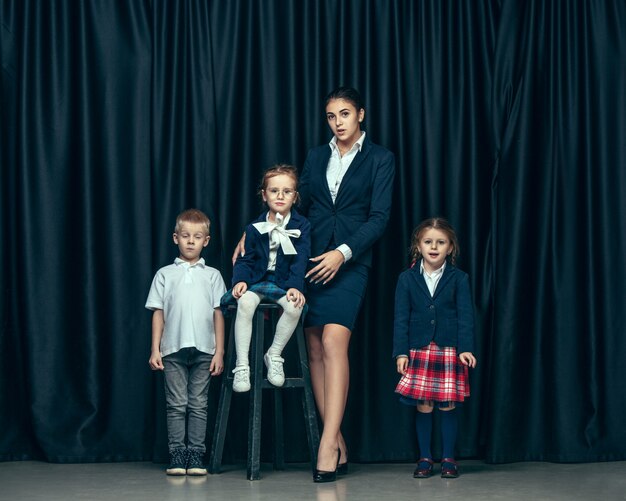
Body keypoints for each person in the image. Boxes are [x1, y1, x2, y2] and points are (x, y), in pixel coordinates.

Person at [299, 86, 395, 482]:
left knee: (336, 341)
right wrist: (257, 231)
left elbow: (379, 217)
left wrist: (343, 253)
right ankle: (337, 439)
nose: (337, 123)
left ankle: (326, 444)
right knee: (315, 347)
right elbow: (296, 203)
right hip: (309, 262)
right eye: (331, 116)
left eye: (344, 114)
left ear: (361, 115)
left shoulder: (380, 158)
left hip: (350, 263)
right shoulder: (316, 156)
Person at [393, 217, 477, 479]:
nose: (434, 246)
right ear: (418, 245)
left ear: (450, 247)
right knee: (424, 406)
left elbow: (466, 316)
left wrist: (466, 348)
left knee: (447, 406)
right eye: (428, 241)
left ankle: (449, 458)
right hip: (418, 349)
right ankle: (425, 458)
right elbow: (400, 317)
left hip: (448, 349)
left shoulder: (459, 278)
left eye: (440, 242)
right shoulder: (406, 279)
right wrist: (401, 352)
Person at [146, 209, 226, 476]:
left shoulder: (213, 275)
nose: (191, 241)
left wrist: (220, 352)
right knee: (177, 404)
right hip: (172, 350)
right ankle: (177, 455)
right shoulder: (164, 274)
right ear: (175, 238)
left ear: (207, 240)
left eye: (197, 236)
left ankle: (196, 456)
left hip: (205, 349)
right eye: (185, 236)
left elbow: (218, 313)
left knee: (199, 404)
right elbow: (158, 312)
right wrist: (155, 348)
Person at [222, 164, 310, 393]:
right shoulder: (253, 227)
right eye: (274, 190)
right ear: (264, 194)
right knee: (245, 302)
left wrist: (295, 286)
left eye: (287, 191)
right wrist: (239, 280)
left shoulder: (302, 226)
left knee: (294, 307)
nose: (280, 196)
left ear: (295, 196)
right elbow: (245, 259)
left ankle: (274, 353)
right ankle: (242, 364)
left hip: (283, 281)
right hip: (256, 279)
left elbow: (301, 260)